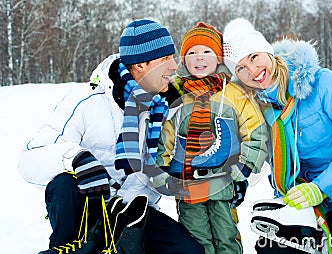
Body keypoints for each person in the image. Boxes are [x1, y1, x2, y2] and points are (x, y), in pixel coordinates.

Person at [18, 19, 205, 254]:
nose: (173, 66)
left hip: (135, 212)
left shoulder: (169, 107)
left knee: (189, 252)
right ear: (141, 64)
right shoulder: (88, 101)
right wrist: (75, 158)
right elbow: (29, 161)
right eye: (165, 59)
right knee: (64, 183)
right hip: (89, 207)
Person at [222, 18, 332, 254]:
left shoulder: (322, 83)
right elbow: (245, 156)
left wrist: (320, 188)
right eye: (240, 68)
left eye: (253, 57)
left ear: (266, 51)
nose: (252, 71)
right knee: (267, 248)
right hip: (297, 206)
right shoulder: (252, 109)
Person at [155, 22, 269, 254]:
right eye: (192, 52)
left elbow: (255, 132)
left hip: (224, 181)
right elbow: (163, 136)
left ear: (218, 58)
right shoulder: (175, 94)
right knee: (196, 239)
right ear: (183, 59)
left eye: (206, 51)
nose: (199, 58)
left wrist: (244, 169)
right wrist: (162, 174)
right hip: (187, 183)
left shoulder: (233, 93)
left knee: (226, 234)